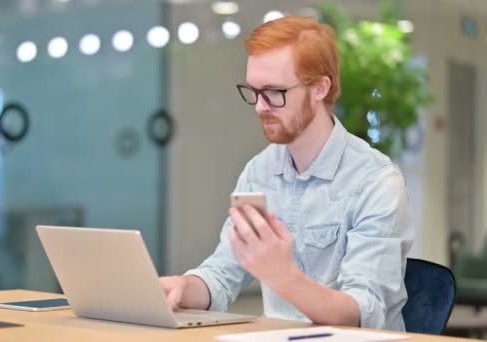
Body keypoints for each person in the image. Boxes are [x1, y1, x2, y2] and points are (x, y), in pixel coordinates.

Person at [159, 16, 414, 331]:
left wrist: (282, 274)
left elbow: (363, 311)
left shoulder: (376, 182)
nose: (260, 107)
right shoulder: (259, 171)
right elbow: (223, 274)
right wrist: (185, 286)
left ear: (320, 88)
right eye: (253, 92)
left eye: (274, 92)